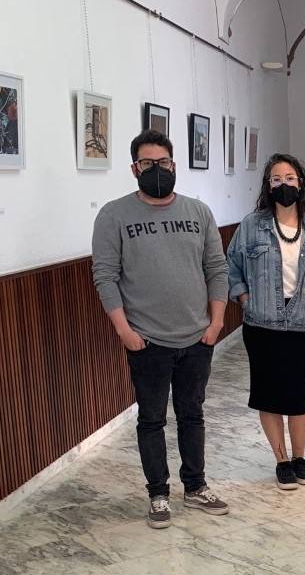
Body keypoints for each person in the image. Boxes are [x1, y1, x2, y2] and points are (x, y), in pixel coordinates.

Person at [91, 129, 230, 529]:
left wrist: (216, 322)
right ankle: (158, 494)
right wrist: (124, 331)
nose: (157, 169)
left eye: (163, 162)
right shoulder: (114, 215)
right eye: (148, 163)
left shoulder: (198, 212)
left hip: (197, 337)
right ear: (134, 168)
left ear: (175, 165)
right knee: (151, 419)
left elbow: (216, 269)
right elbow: (105, 276)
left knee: (192, 415)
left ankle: (196, 486)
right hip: (147, 341)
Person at [227, 154, 305, 490]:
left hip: (304, 325)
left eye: (290, 178)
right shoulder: (251, 225)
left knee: (297, 395)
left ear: (300, 184)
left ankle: (300, 458)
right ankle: (282, 461)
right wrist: (243, 298)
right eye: (276, 179)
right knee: (268, 395)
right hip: (262, 325)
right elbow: (232, 266)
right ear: (268, 185)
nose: (284, 184)